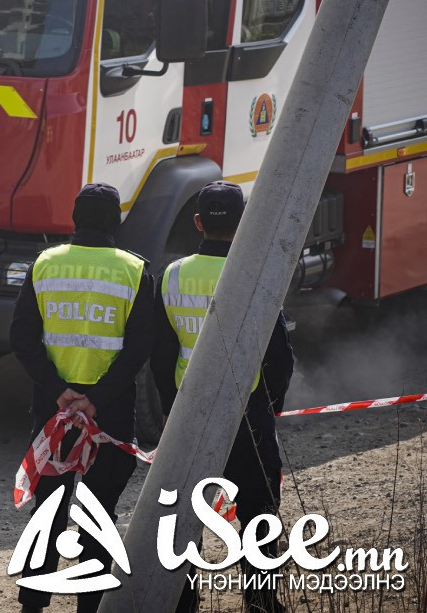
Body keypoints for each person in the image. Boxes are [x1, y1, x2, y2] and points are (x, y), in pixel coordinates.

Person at [150, 181, 295, 613]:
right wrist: (270, 407)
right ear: (244, 222)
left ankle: (183, 602)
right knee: (258, 511)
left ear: (197, 223)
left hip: (188, 413)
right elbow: (279, 357)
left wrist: (167, 407)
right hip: (247, 415)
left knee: (184, 514)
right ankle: (261, 602)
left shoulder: (172, 275)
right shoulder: (257, 274)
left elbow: (160, 355)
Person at [9, 182, 154, 613]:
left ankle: (32, 605)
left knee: (48, 510)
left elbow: (21, 336)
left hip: (55, 417)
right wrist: (97, 399)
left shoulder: (44, 263)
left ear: (74, 219)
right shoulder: (134, 269)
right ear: (117, 221)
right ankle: (89, 607)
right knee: (98, 510)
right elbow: (139, 347)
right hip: (107, 416)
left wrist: (58, 391)